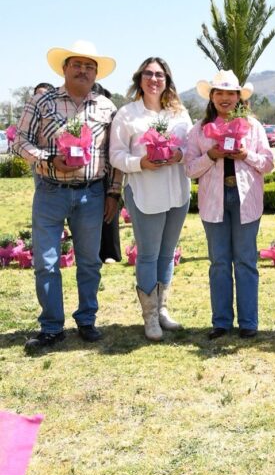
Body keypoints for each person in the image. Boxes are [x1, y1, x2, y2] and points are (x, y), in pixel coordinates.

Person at [14, 40, 121, 353]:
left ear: (96, 73)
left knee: (89, 263)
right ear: (64, 68)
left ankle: (87, 320)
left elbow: (114, 155)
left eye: (89, 66)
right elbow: (20, 141)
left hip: (92, 194)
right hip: (50, 192)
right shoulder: (42, 102)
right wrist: (48, 159)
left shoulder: (106, 107)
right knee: (46, 263)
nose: (83, 71)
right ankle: (51, 327)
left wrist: (113, 192)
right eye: (77, 64)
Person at [185, 71, 274, 339]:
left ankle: (248, 322)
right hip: (213, 201)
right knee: (219, 262)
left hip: (246, 200)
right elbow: (189, 168)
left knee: (246, 260)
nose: (225, 98)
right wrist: (211, 155)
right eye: (219, 93)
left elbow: (268, 163)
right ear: (211, 97)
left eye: (230, 93)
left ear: (239, 97)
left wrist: (246, 155)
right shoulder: (199, 129)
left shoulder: (253, 127)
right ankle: (221, 322)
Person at [110, 57, 192, 341]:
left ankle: (162, 308)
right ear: (139, 79)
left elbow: (190, 148)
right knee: (148, 254)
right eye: (148, 74)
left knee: (167, 253)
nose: (154, 79)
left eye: (159, 75)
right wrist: (140, 163)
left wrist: (179, 155)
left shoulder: (179, 113)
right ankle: (150, 316)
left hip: (177, 192)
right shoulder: (127, 114)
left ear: (167, 80)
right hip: (144, 192)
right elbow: (116, 155)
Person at [93, 82, 123, 265]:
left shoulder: (111, 113)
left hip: (109, 169)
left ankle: (111, 251)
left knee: (110, 211)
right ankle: (94, 251)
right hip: (87, 170)